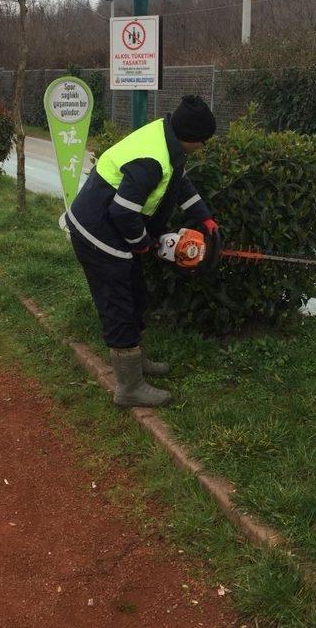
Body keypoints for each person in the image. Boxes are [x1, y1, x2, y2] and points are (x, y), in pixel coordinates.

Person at [65, 95, 219, 408]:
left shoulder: (167, 140)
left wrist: (204, 217)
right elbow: (123, 212)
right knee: (119, 302)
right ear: (190, 138)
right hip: (98, 232)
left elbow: (179, 182)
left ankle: (137, 361)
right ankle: (129, 387)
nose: (203, 147)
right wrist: (144, 243)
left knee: (136, 292)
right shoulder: (153, 158)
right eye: (203, 142)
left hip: (113, 228)